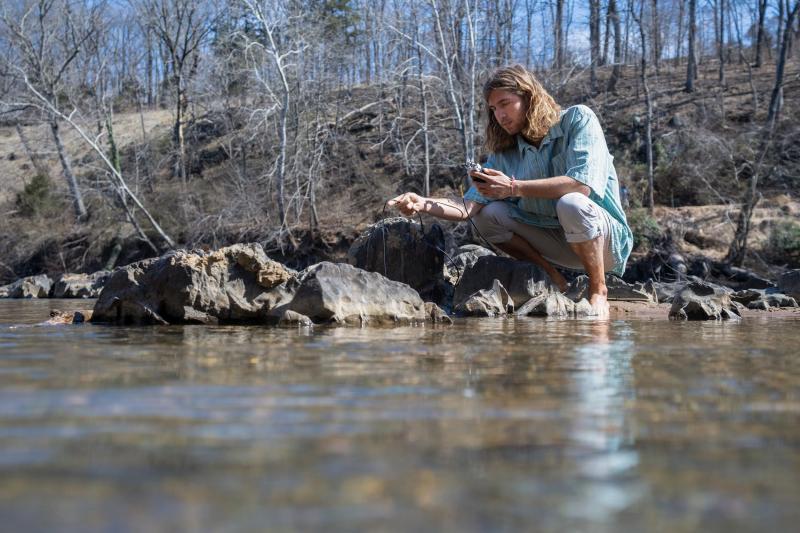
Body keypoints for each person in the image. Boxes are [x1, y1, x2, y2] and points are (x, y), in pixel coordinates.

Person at [388, 64, 633, 317]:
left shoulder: (578, 119)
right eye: (493, 109)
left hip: (603, 241)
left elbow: (580, 186)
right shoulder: (504, 154)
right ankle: (553, 279)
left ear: (529, 96)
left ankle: (598, 288)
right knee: (486, 216)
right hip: (557, 244)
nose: (499, 115)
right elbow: (468, 208)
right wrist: (423, 203)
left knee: (571, 202)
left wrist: (513, 188)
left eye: (505, 103)